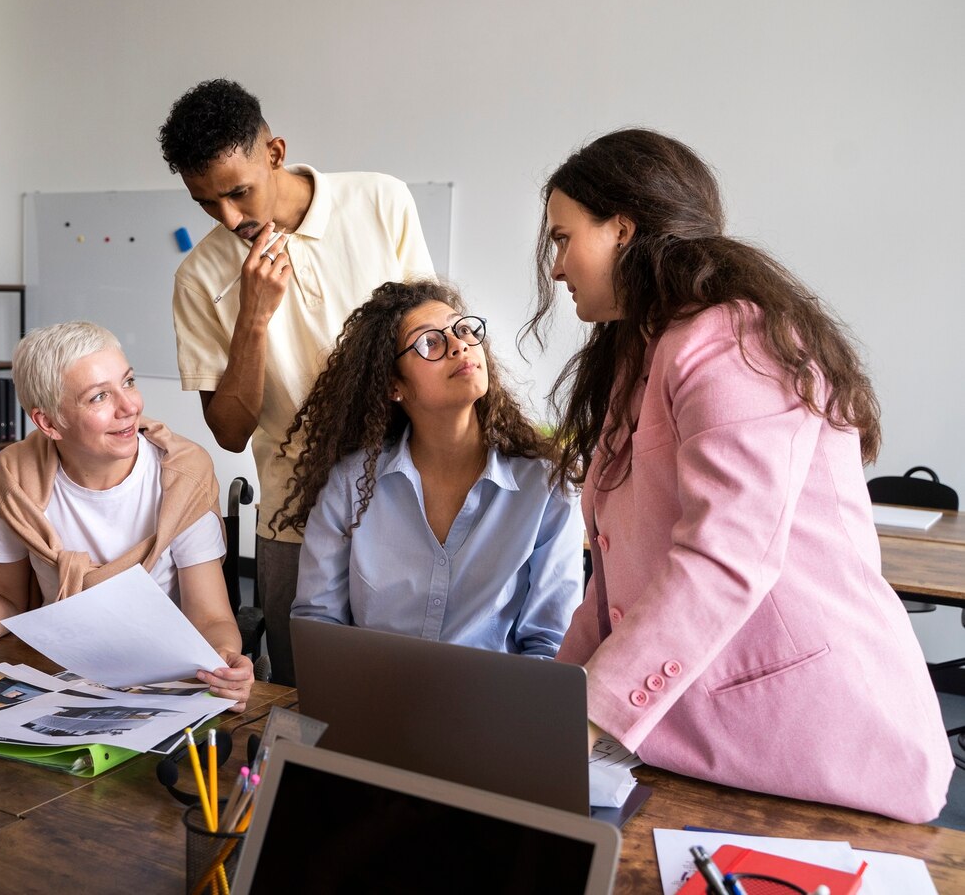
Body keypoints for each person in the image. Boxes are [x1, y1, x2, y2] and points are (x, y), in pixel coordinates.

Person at [528, 128, 952, 822]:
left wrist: (583, 719)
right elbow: (615, 585)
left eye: (562, 238)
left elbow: (725, 558)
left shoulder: (732, 338)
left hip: (821, 739)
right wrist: (546, 707)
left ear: (623, 229)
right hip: (708, 741)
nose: (556, 266)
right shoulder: (645, 349)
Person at [160, 78, 435, 685]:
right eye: (206, 203)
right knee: (299, 698)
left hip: (407, 497)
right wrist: (253, 318)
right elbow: (230, 433)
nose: (228, 217)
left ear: (275, 153)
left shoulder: (380, 201)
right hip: (292, 520)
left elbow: (427, 343)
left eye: (238, 192)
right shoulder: (199, 277)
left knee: (409, 692)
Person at [0, 322, 254, 712]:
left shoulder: (181, 477)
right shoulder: (18, 478)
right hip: (57, 672)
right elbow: (1, 593)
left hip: (162, 677)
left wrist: (225, 658)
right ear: (48, 422)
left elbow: (210, 615)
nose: (130, 406)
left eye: (128, 381)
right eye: (99, 396)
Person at [278, 280, 582, 657]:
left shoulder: (547, 487)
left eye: (464, 329)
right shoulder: (349, 485)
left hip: (495, 708)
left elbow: (550, 645)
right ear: (393, 386)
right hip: (375, 702)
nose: (460, 345)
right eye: (430, 343)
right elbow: (317, 622)